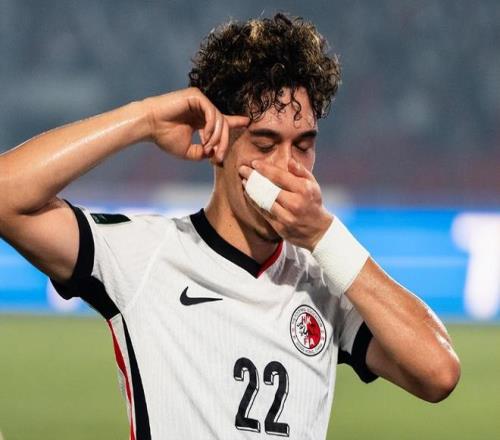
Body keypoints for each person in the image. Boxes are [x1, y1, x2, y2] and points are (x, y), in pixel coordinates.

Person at [0, 13, 460, 440]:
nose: (288, 168)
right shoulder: (144, 256)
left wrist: (325, 237)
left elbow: (439, 373)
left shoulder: (324, 283)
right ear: (217, 143)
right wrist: (144, 118)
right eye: (265, 144)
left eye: (303, 146)